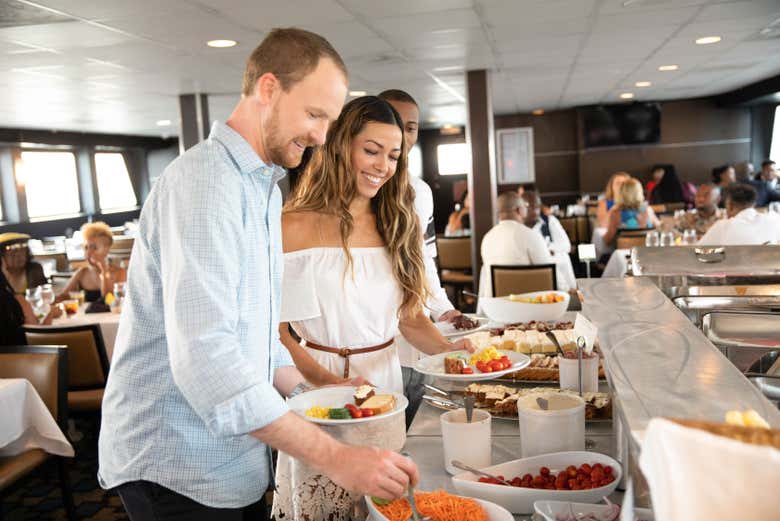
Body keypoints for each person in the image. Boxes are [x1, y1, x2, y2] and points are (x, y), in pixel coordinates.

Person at [98, 29, 418, 521]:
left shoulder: (264, 189)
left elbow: (261, 347)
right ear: (268, 89)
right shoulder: (206, 183)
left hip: (231, 460)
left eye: (330, 122)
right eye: (314, 115)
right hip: (178, 465)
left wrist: (333, 408)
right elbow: (210, 364)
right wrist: (337, 458)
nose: (321, 137)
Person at [274, 96, 473, 520]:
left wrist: (457, 357)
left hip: (384, 390)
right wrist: (327, 384)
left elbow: (411, 319)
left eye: (393, 155)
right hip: (316, 396)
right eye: (371, 150)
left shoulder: (398, 221)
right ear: (338, 145)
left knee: (385, 510)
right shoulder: (290, 224)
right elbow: (279, 334)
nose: (383, 165)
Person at [378, 88, 462, 428]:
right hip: (378, 342)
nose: (403, 134)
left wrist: (443, 307)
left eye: (411, 127)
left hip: (420, 330)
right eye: (395, 122)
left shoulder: (421, 191)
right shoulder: (365, 188)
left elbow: (425, 260)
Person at [479, 191, 555, 297]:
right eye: (525, 206)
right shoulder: (531, 235)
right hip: (528, 304)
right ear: (520, 210)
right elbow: (549, 274)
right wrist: (569, 289)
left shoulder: (487, 238)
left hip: (495, 307)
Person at [56, 222, 126, 303]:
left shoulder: (121, 273)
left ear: (107, 249)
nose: (88, 253)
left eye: (94, 247)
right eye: (86, 247)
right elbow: (63, 296)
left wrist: (104, 271)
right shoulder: (82, 273)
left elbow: (108, 301)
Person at [522, 190, 576, 291]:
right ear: (520, 209)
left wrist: (547, 249)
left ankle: (571, 292)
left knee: (563, 257)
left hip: (551, 262)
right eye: (529, 206)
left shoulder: (549, 221)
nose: (534, 210)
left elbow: (566, 245)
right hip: (528, 268)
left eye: (537, 206)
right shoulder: (518, 227)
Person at [699, 183, 780, 245]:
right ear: (753, 204)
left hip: (734, 266)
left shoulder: (723, 226)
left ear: (730, 205)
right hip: (768, 266)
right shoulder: (775, 221)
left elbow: (696, 251)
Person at [0, 268, 59, 346]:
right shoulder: (17, 301)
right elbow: (39, 339)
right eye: (6, 268)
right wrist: (51, 312)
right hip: (21, 356)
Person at [603, 178, 660, 245]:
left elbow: (608, 240)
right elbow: (659, 228)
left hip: (624, 252)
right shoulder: (648, 210)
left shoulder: (616, 213)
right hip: (646, 252)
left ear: (621, 193)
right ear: (640, 192)